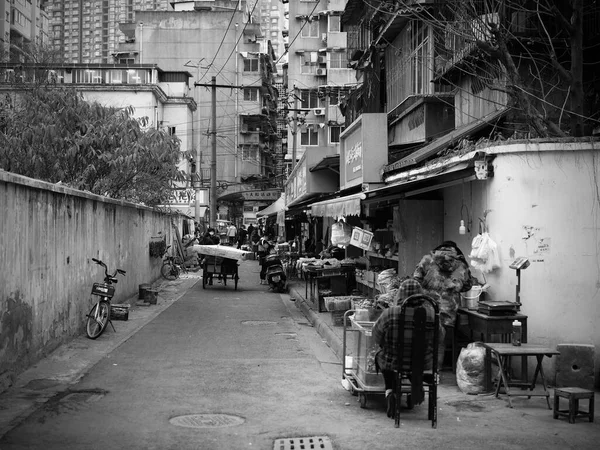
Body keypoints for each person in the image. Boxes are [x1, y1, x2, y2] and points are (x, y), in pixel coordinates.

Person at [372, 278, 430, 418]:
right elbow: (440, 337)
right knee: (414, 360)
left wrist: (384, 344)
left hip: (394, 360)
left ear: (401, 294)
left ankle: (390, 391)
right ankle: (414, 386)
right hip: (423, 362)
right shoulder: (431, 314)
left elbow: (376, 335)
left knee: (383, 357)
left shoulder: (390, 313)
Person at [412, 240, 474, 368]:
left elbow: (416, 280)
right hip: (448, 309)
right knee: (440, 342)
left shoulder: (427, 260)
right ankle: (436, 373)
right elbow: (468, 285)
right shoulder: (461, 265)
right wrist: (452, 288)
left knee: (422, 338)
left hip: (426, 306)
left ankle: (420, 370)